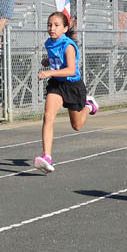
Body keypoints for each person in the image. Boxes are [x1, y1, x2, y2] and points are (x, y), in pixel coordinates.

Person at [33, 11, 97, 173]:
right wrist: (48, 61)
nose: (52, 28)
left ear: (65, 28)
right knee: (48, 116)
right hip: (56, 84)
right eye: (49, 25)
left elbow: (70, 70)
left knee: (77, 126)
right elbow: (57, 61)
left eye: (56, 25)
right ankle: (47, 156)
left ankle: (89, 105)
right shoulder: (49, 43)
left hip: (72, 86)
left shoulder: (68, 46)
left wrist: (48, 72)